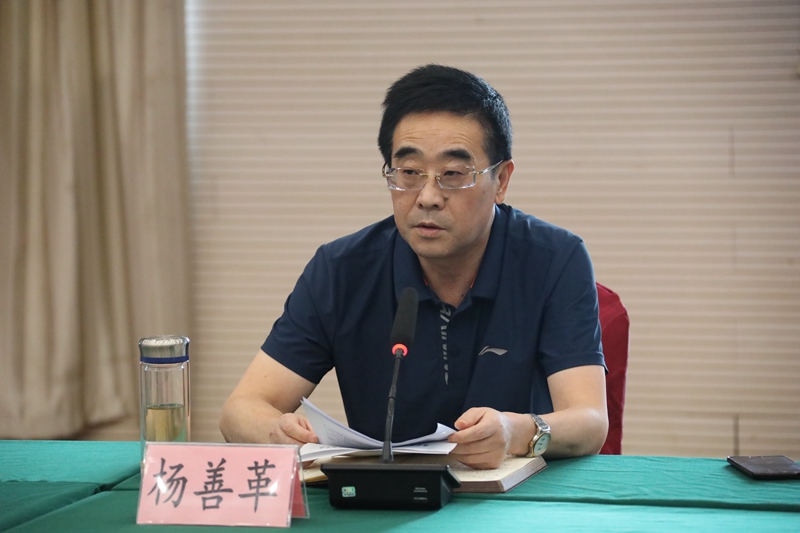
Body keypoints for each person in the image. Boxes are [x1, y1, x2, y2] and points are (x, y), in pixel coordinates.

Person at [219, 64, 608, 469]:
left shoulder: (554, 259)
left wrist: (516, 432)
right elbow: (240, 410)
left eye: (453, 174)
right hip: (383, 495)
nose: (427, 197)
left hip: (513, 495)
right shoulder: (342, 270)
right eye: (409, 173)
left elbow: (590, 422)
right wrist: (276, 432)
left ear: (502, 181)